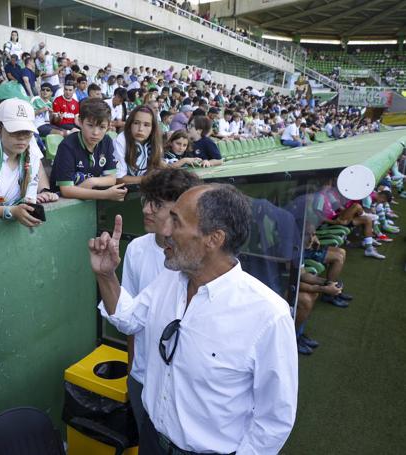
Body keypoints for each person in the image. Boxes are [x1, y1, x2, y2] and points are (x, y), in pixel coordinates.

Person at [90, 184, 298, 455]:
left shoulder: (268, 316)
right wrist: (106, 276)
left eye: (176, 221)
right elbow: (129, 319)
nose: (164, 231)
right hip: (152, 440)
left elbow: (274, 420)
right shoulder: (169, 279)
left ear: (214, 239)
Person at [121, 168, 201, 435]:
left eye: (157, 204)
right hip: (142, 377)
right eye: (146, 201)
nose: (146, 210)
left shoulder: (198, 261)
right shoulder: (135, 249)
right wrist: (134, 370)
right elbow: (129, 319)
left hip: (183, 388)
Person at [0, 99, 57, 226]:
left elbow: (28, 201)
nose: (22, 138)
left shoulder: (33, 156)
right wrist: (10, 211)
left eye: (27, 132)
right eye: (15, 132)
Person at [50, 98, 126, 201]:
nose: (95, 132)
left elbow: (111, 178)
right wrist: (105, 195)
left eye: (102, 127)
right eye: (90, 125)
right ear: (80, 122)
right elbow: (66, 190)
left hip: (88, 196)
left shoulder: (107, 141)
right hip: (61, 202)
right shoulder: (67, 146)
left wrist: (92, 181)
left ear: (108, 127)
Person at [112, 105, 164, 185]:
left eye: (146, 125)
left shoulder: (155, 142)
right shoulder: (120, 141)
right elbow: (119, 178)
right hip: (126, 190)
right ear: (130, 125)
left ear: (152, 128)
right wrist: (149, 179)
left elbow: (158, 167)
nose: (140, 129)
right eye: (136, 123)